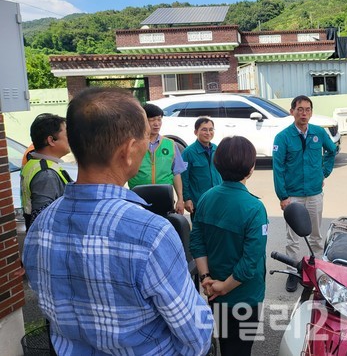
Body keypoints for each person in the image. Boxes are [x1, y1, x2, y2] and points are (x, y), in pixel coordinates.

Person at [22, 87, 214, 356]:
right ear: (128, 150)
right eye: (145, 139)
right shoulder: (151, 233)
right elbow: (195, 334)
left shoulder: (41, 227)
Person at [190, 136, 268, 356]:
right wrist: (224, 286)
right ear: (251, 168)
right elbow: (250, 262)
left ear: (217, 164)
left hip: (214, 292)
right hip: (244, 296)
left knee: (225, 344)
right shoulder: (254, 208)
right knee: (241, 348)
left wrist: (206, 279)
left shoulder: (206, 198)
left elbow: (197, 241)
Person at [273, 95, 337, 292]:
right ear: (292, 111)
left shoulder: (318, 132)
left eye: (307, 109)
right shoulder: (283, 137)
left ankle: (316, 272)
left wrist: (323, 172)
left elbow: (332, 151)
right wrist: (283, 196)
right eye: (300, 109)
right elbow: (278, 168)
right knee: (292, 239)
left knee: (316, 236)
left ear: (311, 112)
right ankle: (293, 273)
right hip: (293, 196)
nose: (304, 113)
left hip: (314, 193)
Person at [128, 103, 186, 214]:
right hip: (138, 198)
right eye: (152, 120)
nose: (157, 124)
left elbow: (176, 172)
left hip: (164, 196)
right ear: (143, 121)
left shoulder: (170, 144)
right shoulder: (133, 144)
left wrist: (180, 199)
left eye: (159, 120)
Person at [20, 113, 72, 231]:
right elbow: (42, 219)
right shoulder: (46, 174)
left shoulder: (33, 164)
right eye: (67, 135)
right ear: (51, 140)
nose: (71, 138)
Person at [181, 117, 222, 219]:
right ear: (196, 132)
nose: (208, 133)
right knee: (200, 233)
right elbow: (183, 178)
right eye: (204, 129)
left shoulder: (217, 149)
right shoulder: (188, 152)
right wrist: (187, 198)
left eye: (211, 129)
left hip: (218, 200)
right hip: (199, 202)